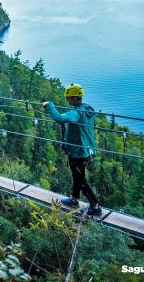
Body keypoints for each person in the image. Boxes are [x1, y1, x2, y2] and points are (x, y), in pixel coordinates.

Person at [42, 83, 102, 216]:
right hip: (86, 150)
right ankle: (74, 199)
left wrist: (50, 105)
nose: (66, 100)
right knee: (77, 176)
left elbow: (60, 118)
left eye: (68, 98)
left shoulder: (76, 113)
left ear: (75, 99)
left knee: (80, 180)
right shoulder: (87, 110)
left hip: (78, 153)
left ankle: (95, 206)